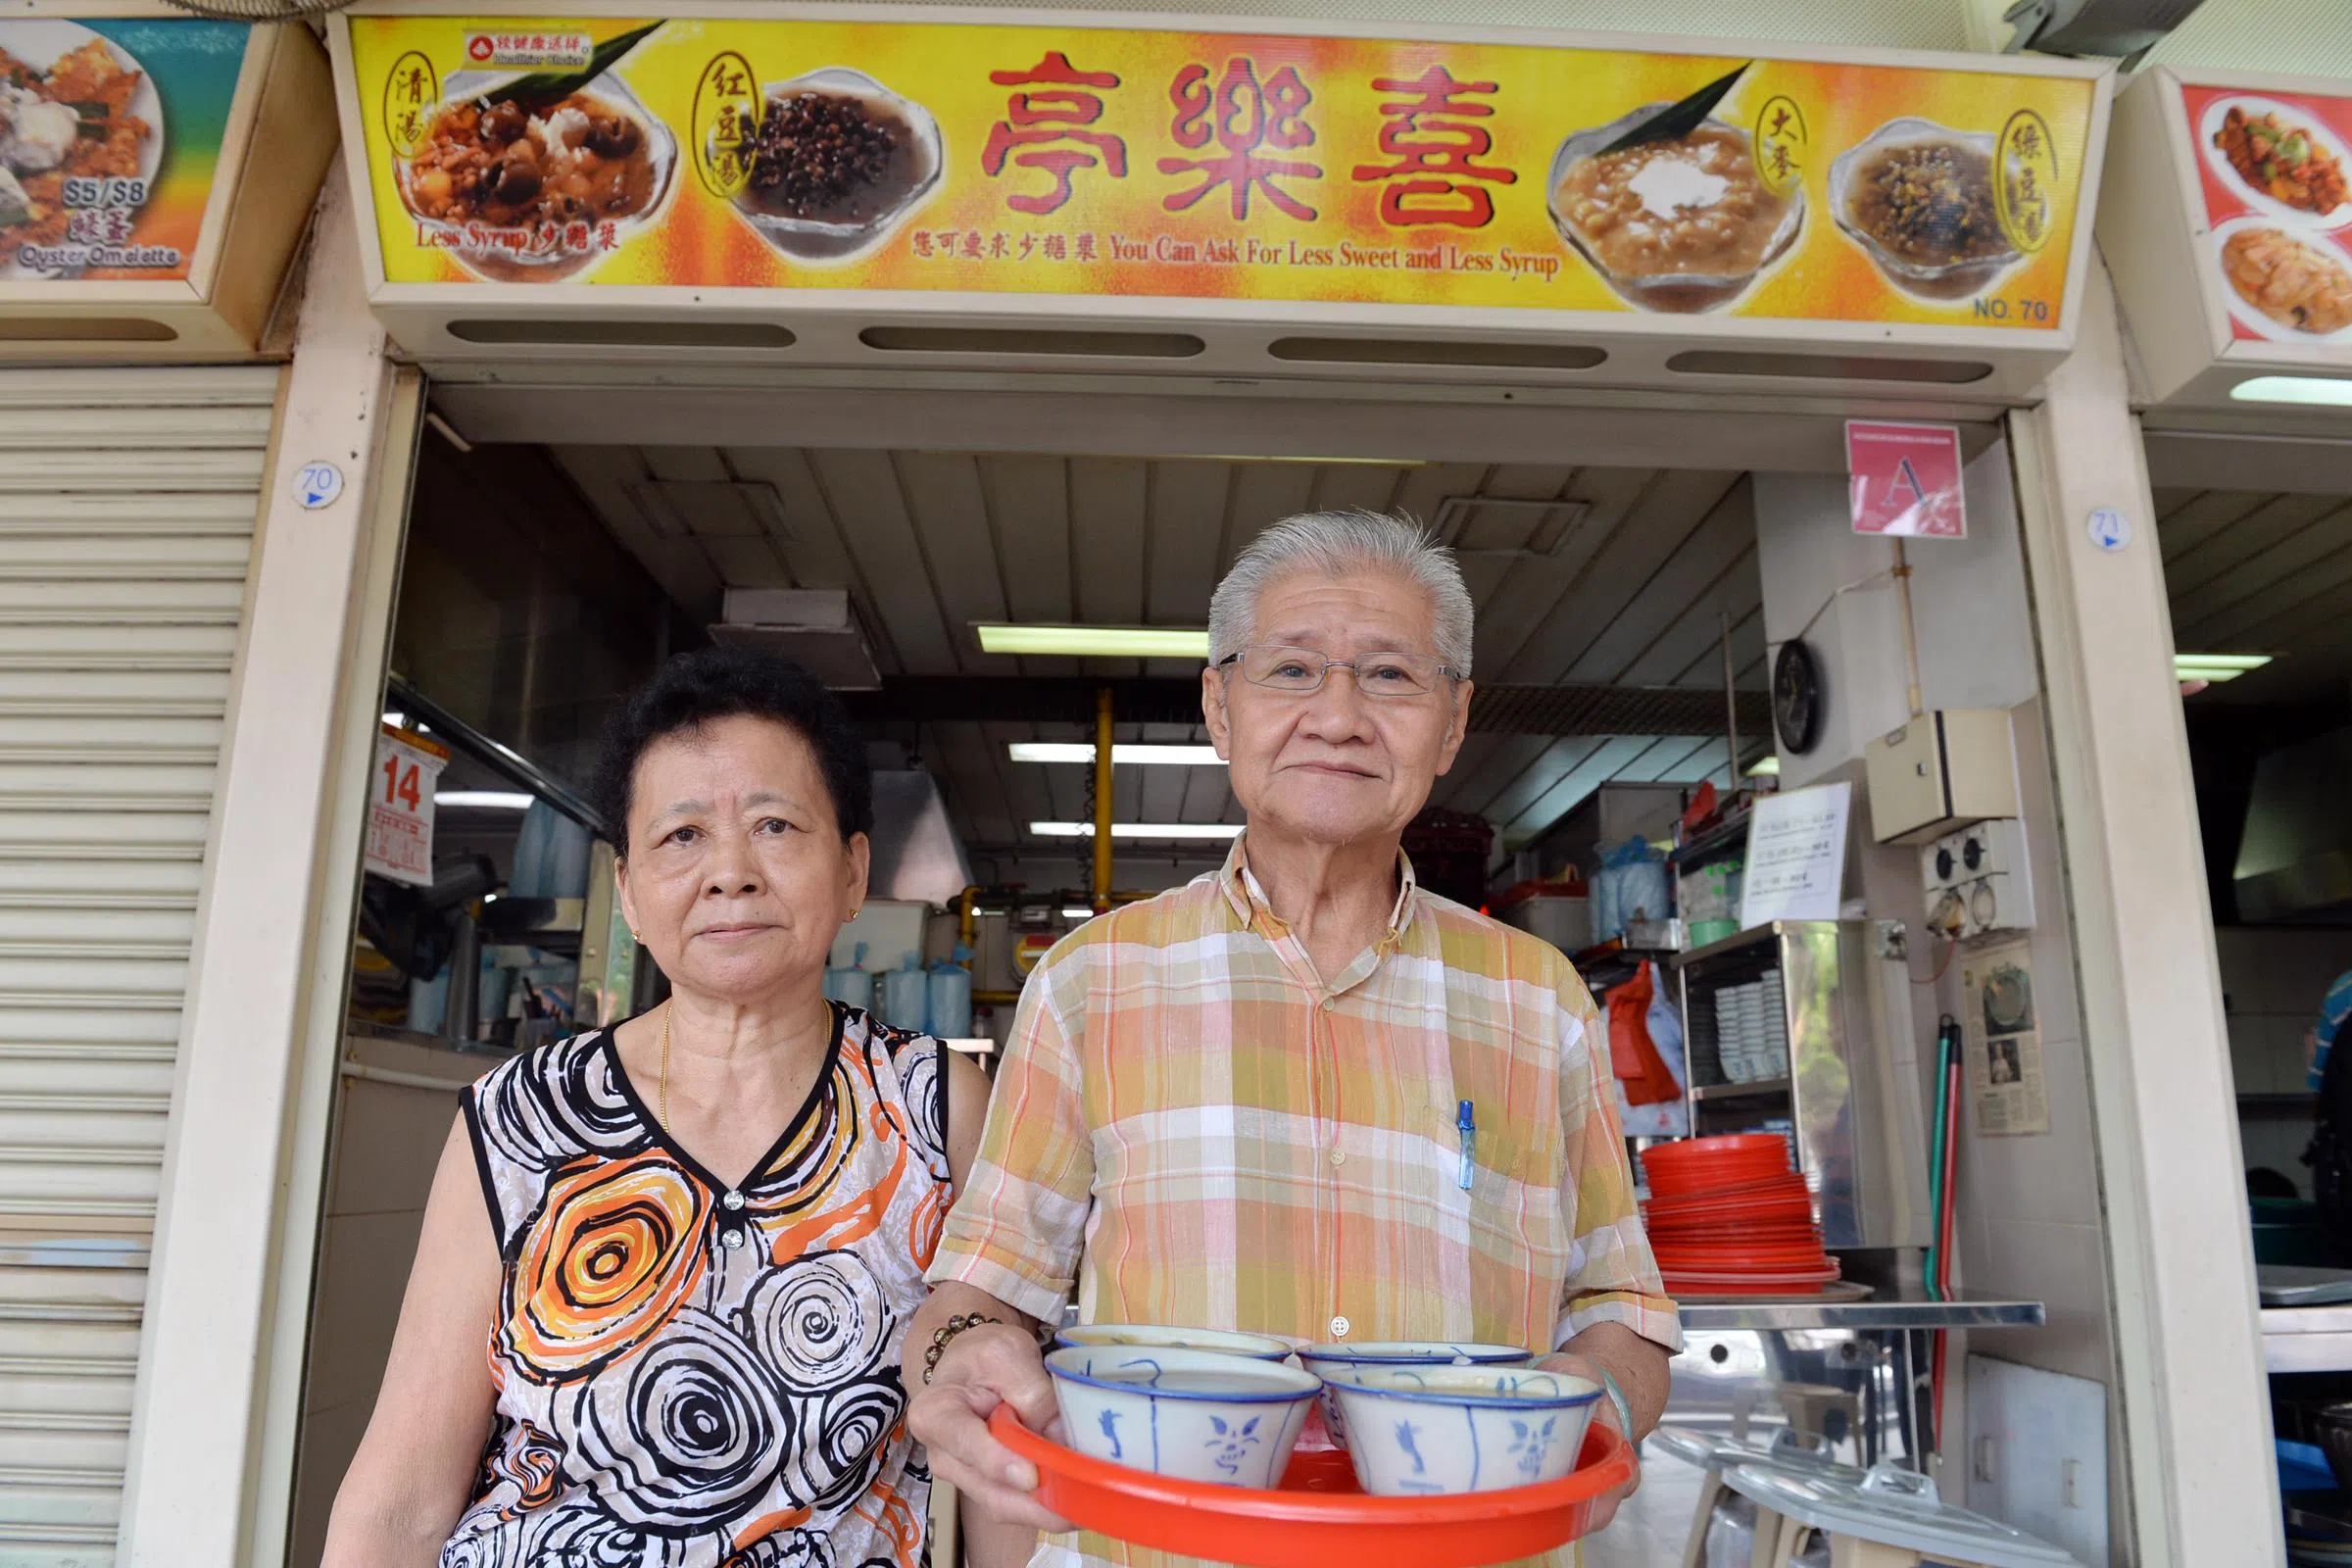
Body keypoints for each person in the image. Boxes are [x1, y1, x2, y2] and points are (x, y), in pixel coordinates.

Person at [906, 511, 1681, 1568]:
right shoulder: (1091, 980)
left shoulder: (1537, 998)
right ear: (1220, 707)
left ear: (1452, 724)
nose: (1340, 714)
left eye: (1391, 676)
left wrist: (1585, 1425)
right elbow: (984, 1287)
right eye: (1292, 669)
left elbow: (1623, 1309)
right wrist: (959, 1351)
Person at [323, 646, 990, 1568]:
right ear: (629, 892)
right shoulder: (519, 1117)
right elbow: (400, 1501)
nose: (730, 873)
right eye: (681, 836)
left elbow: (1002, 1450)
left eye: (776, 826)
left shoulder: (935, 1106)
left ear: (851, 870)